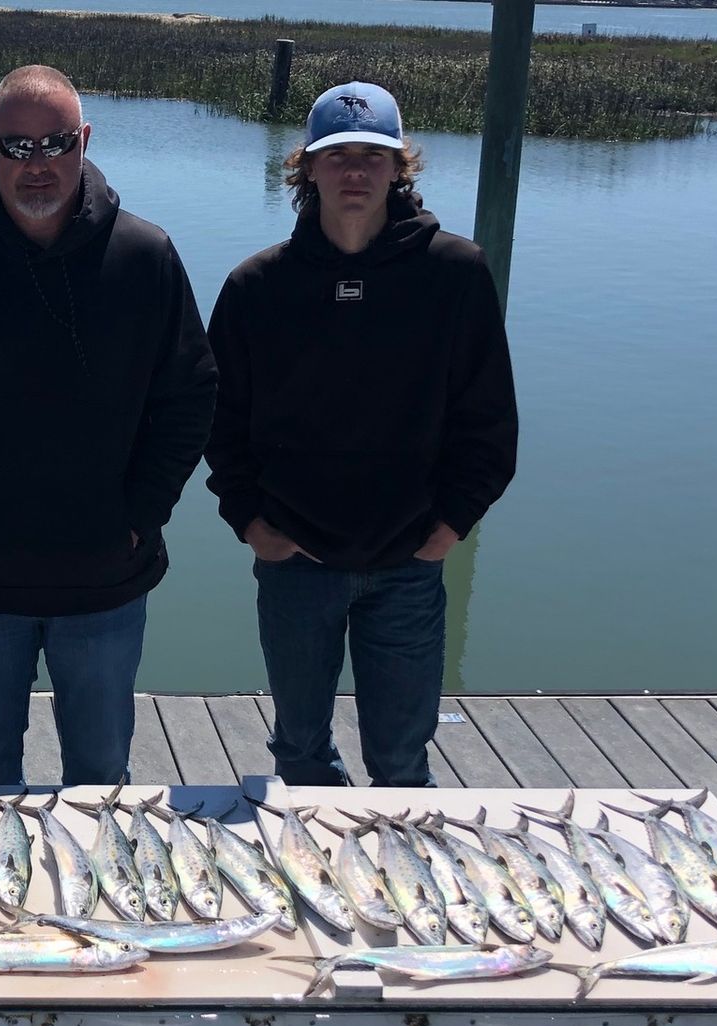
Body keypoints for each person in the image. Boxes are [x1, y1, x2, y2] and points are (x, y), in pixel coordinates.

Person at [0, 65, 216, 787]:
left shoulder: (146, 256)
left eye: (55, 143)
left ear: (83, 140)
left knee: (100, 777)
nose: (38, 165)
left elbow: (190, 397)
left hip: (107, 583)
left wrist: (142, 513)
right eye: (17, 147)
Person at [204, 81, 518, 788]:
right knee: (300, 753)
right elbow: (218, 422)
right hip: (294, 561)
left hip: (408, 563)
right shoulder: (256, 287)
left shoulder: (456, 274)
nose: (354, 172)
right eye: (336, 155)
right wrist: (249, 520)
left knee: (403, 760)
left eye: (372, 156)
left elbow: (490, 421)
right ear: (306, 168)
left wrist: (450, 525)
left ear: (400, 167)